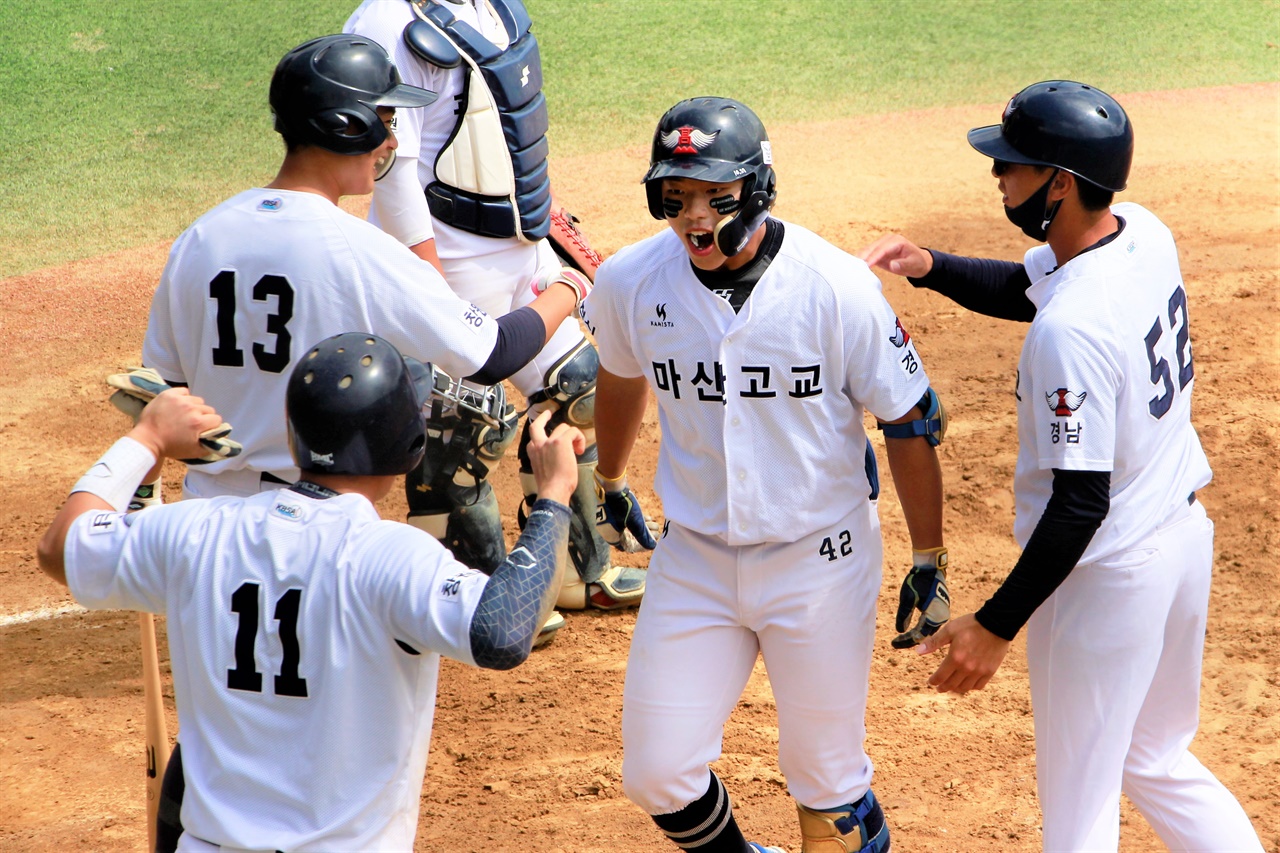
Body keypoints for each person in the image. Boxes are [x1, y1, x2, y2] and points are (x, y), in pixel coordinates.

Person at [860, 81, 1263, 852]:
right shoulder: (1141, 232)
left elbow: (1080, 504)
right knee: (1156, 757)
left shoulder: (1070, 334)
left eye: (1015, 165)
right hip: (1181, 544)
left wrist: (995, 625)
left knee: (1077, 815)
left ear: (1062, 184)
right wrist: (931, 265)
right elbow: (1036, 285)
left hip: (1107, 583)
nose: (999, 177)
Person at [37, 332, 584, 852]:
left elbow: (60, 548)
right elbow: (503, 631)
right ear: (405, 444)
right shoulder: (388, 556)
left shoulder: (195, 531)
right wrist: (554, 494)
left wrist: (147, 438)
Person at [583, 96, 952, 853]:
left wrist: (928, 557)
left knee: (827, 789)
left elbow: (911, 420)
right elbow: (621, 375)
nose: (693, 218)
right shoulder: (631, 280)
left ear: (756, 190)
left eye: (715, 197)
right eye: (676, 196)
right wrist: (612, 479)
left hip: (819, 562)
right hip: (695, 560)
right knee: (657, 772)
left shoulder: (837, 286)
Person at [343, 0, 647, 624]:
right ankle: (474, 597)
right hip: (446, 255)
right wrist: (429, 282)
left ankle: (573, 569)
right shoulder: (387, 21)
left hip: (521, 248)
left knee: (576, 388)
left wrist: (548, 223)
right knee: (464, 432)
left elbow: (510, 131)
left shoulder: (494, 9)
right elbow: (393, 166)